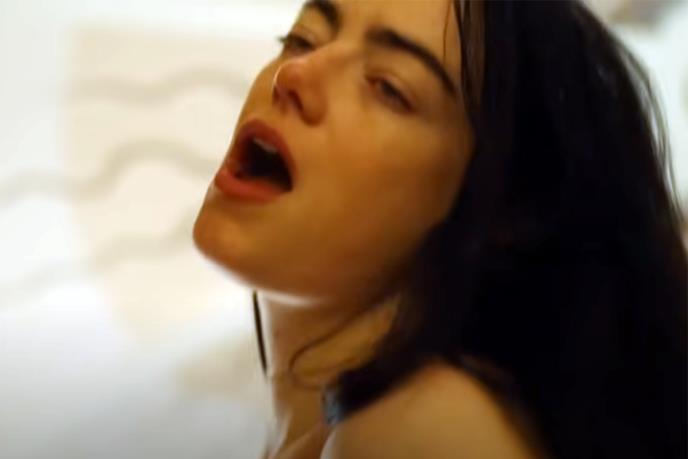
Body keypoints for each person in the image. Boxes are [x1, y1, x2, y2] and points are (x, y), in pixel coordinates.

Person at [192, 0, 687, 458]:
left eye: (389, 88)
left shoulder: (416, 432)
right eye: (303, 39)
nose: (294, 73)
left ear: (506, 212)